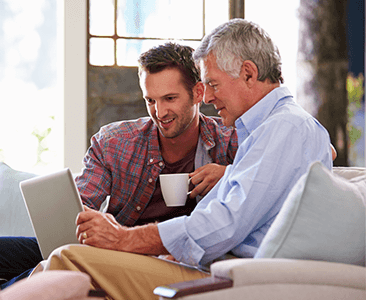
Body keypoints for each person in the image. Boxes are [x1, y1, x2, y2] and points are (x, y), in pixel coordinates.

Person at [31, 19, 333, 300]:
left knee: (66, 259)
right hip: (214, 266)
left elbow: (224, 224)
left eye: (213, 84)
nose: (210, 98)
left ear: (249, 74)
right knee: (58, 270)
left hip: (230, 279)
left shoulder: (284, 128)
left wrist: (123, 238)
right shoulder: (273, 129)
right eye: (151, 100)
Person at [0, 42, 238, 289]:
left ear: (198, 93)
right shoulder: (115, 142)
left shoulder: (230, 142)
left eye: (170, 98)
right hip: (110, 249)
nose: (160, 112)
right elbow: (83, 204)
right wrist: (89, 221)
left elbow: (263, 191)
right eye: (150, 100)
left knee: (59, 263)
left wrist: (229, 174)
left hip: (164, 262)